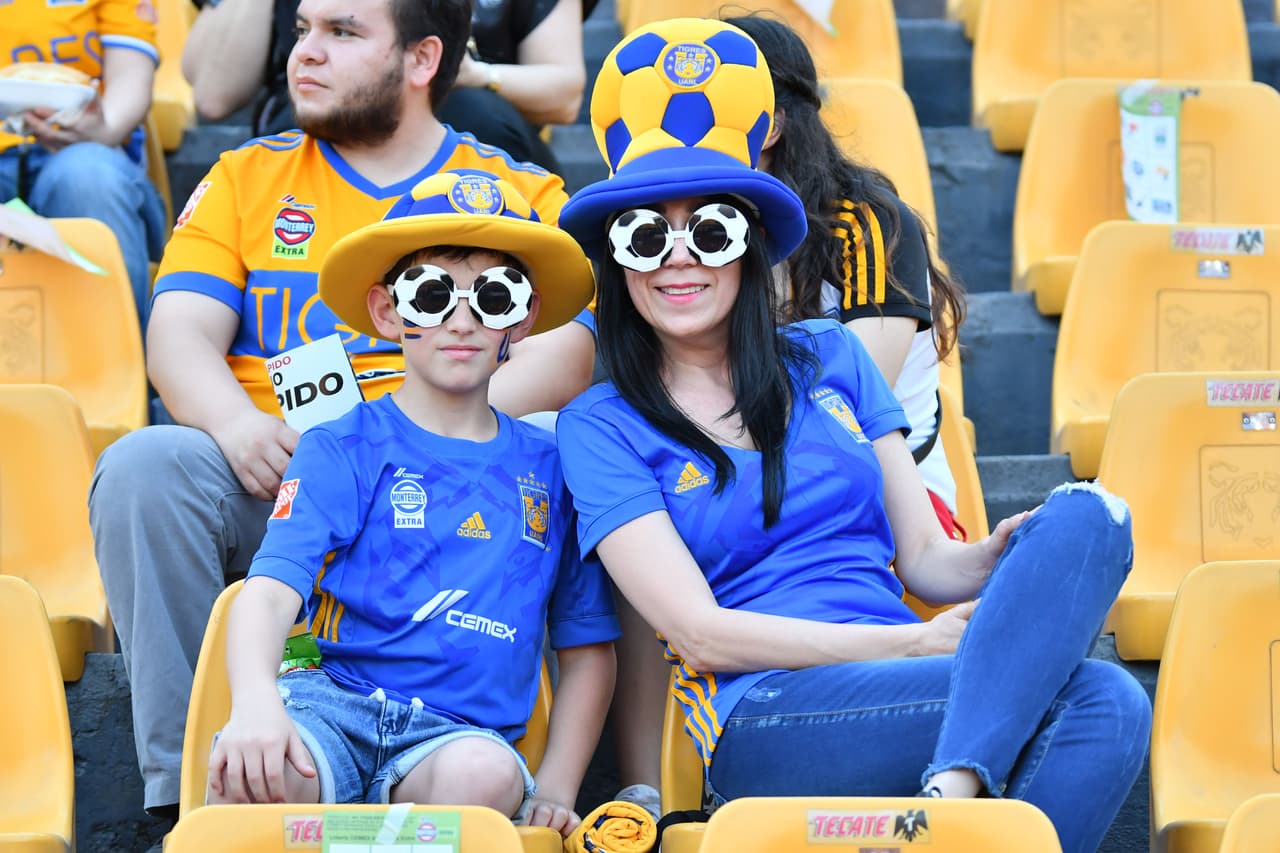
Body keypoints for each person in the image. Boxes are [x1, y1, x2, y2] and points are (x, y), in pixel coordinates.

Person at [555, 18, 1151, 853]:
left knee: (1094, 524)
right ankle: (953, 807)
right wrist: (911, 640)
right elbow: (699, 633)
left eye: (711, 231)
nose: (678, 257)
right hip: (765, 710)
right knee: (1093, 698)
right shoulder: (601, 424)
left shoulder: (831, 354)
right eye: (646, 235)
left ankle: (950, 793)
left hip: (904, 679)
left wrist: (999, 555)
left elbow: (923, 563)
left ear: (751, 245)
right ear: (619, 264)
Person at [89, 0, 594, 824]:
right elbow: (177, 332)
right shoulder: (247, 175)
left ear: (423, 58)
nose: (305, 55)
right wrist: (237, 424)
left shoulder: (508, 185)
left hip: (439, 495)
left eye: (342, 33)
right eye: (302, 32)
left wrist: (410, 430)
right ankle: (186, 798)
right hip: (274, 475)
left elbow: (570, 347)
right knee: (145, 467)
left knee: (560, 443)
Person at [608, 15, 974, 814]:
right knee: (635, 544)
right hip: (738, 501)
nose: (673, 133)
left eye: (703, 108)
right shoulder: (652, 247)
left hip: (883, 483)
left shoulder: (863, 224)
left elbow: (824, 427)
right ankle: (644, 788)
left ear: (766, 122)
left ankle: (952, 793)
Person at [207, 169, 618, 835]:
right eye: (431, 296)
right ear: (386, 311)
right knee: (252, 771)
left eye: (493, 295)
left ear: (524, 316)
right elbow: (270, 589)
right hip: (328, 707)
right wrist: (256, 701)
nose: (462, 319)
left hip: (461, 735)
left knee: (480, 775)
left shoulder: (556, 466)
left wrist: (561, 785)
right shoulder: (340, 444)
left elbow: (588, 646)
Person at [184, 0, 593, 171]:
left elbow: (565, 91)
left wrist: (477, 74)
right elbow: (214, 96)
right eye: (300, 30)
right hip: (308, 123)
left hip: (474, 127)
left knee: (475, 114)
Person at [0, 0, 168, 330]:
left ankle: (122, 372)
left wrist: (103, 131)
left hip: (91, 154)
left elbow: (131, 76)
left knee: (87, 176)